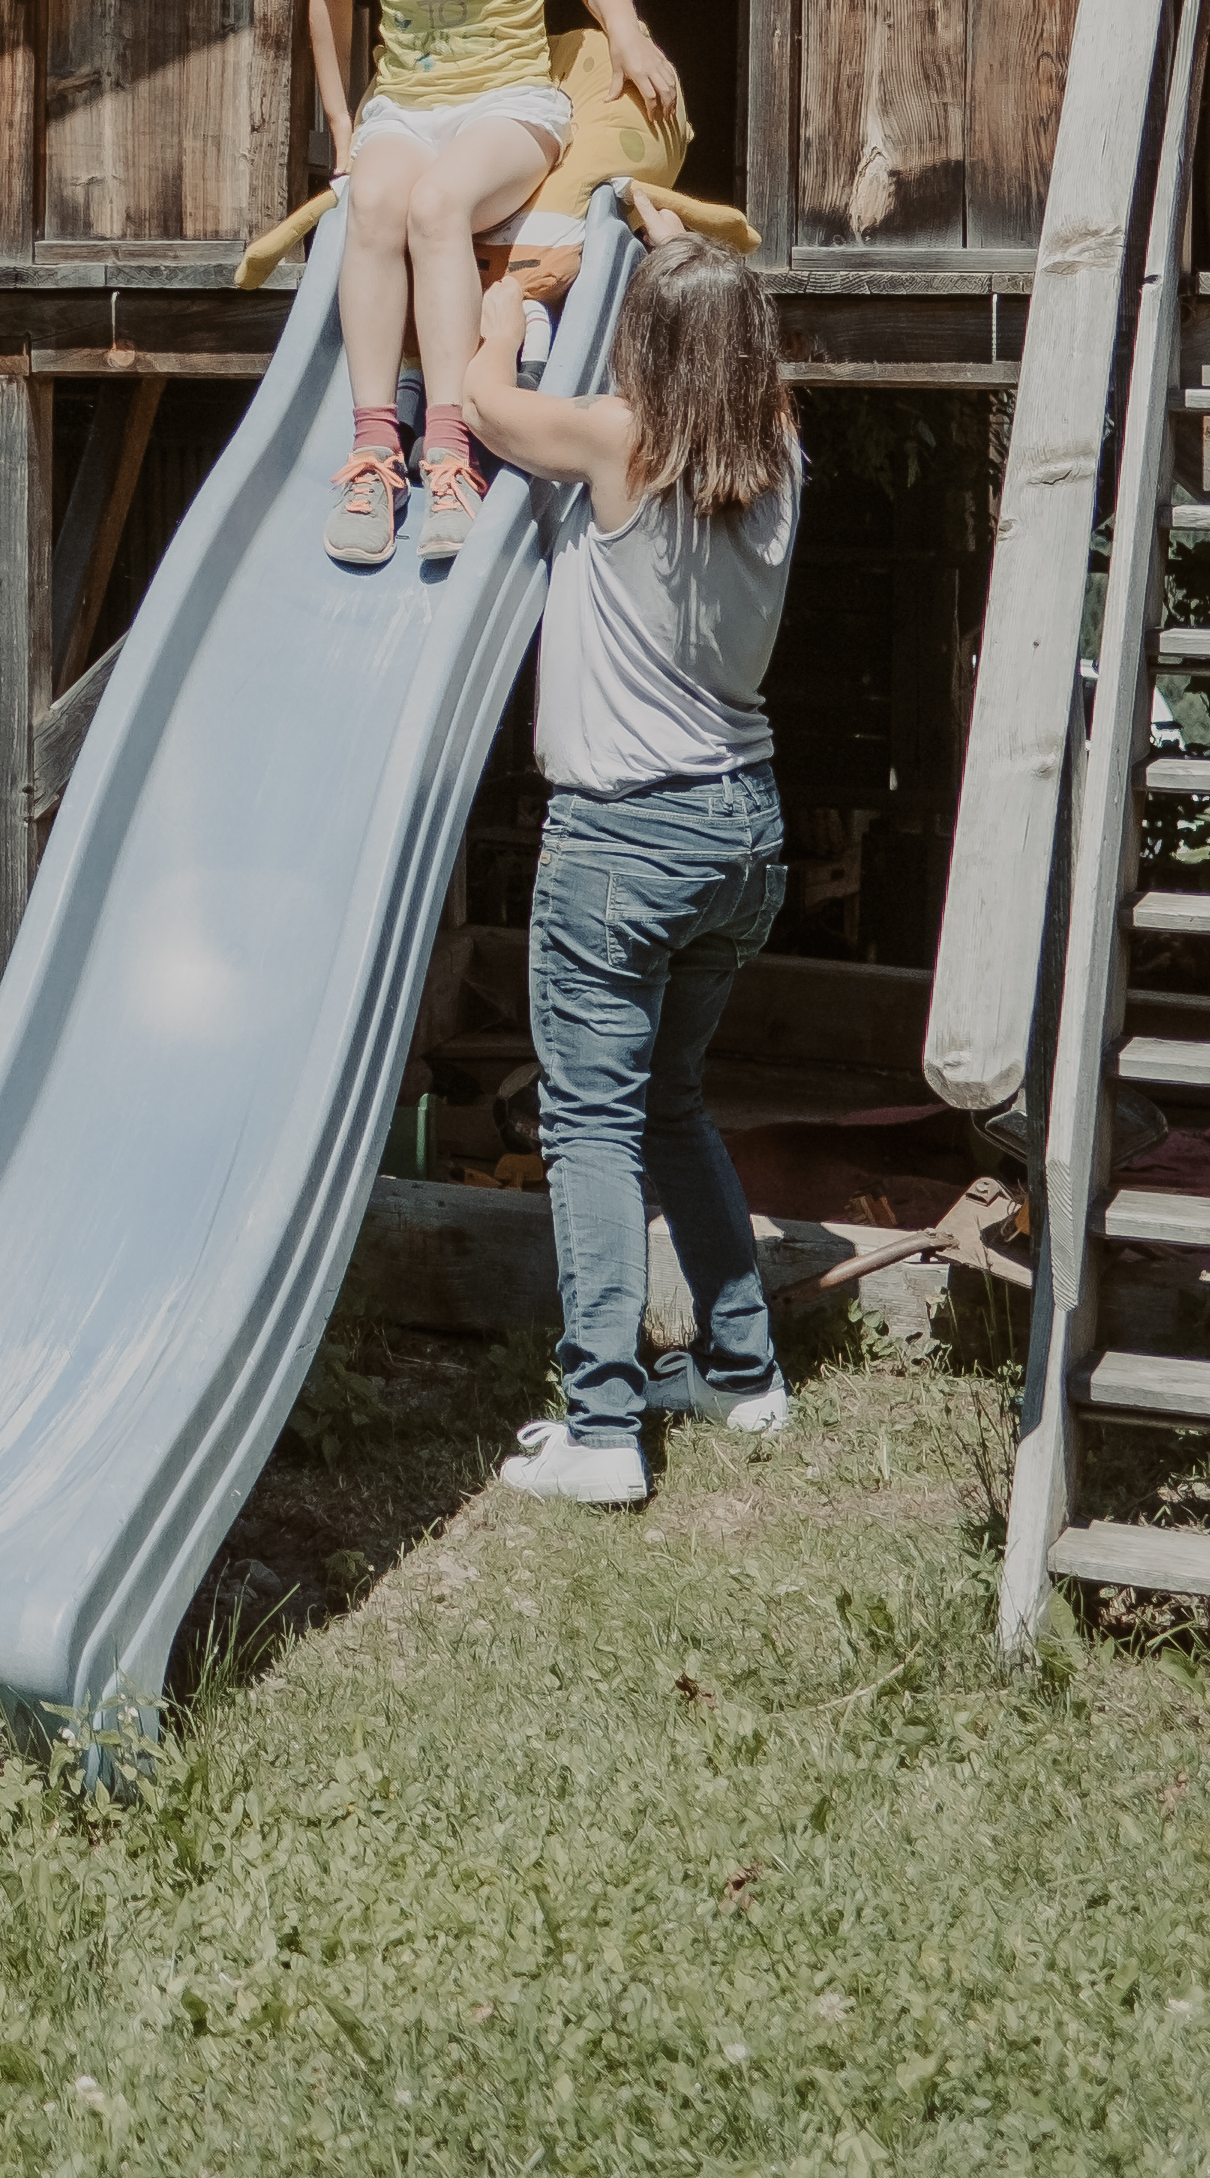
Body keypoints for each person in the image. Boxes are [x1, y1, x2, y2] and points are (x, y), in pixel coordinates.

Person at [451, 213, 804, 1508]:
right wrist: (678, 242)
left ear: (645, 344)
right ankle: (742, 1370)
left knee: (590, 1121)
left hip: (626, 838)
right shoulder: (782, 449)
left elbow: (485, 406)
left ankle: (602, 1426)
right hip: (744, 831)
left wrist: (509, 300)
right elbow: (728, 339)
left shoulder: (619, 439)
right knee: (672, 1103)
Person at [300, 0, 687, 564]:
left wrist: (627, 35)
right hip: (407, 106)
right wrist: (341, 120)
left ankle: (448, 451)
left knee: (438, 204)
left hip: (509, 102)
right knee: (375, 201)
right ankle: (374, 449)